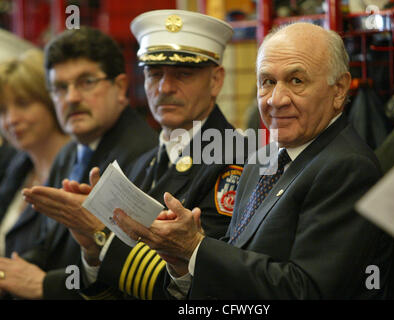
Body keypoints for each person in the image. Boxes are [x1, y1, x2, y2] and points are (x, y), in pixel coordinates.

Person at [112, 22, 394, 299]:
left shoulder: (347, 168)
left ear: (339, 90)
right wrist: (181, 263)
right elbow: (236, 259)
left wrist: (195, 248)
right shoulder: (264, 158)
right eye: (268, 82)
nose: (276, 99)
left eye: (297, 81)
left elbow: (307, 289)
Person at [22, 10, 245, 300]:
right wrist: (92, 249)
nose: (164, 88)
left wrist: (102, 234)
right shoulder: (147, 160)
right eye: (154, 73)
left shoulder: (235, 158)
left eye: (183, 74)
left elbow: (204, 282)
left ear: (216, 80)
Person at [0, 27, 158, 299]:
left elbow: (133, 275)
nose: (72, 97)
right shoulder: (71, 150)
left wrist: (46, 285)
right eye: (60, 87)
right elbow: (48, 242)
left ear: (120, 87)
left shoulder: (143, 156)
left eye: (86, 82)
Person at [0, 49, 70, 259]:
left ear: (50, 101)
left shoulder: (79, 167)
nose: (11, 119)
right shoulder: (17, 164)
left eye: (23, 104)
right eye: (2, 110)